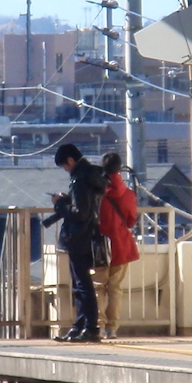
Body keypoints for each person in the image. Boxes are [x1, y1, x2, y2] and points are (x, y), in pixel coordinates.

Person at [51, 144, 108, 343]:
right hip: (89, 235)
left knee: (82, 285)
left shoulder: (79, 179)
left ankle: (90, 327)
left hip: (77, 238)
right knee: (81, 284)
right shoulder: (93, 176)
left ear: (70, 160)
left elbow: (79, 212)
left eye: (64, 166)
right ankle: (80, 326)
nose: (65, 170)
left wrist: (60, 204)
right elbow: (86, 207)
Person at [92, 152, 139, 339]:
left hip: (99, 245)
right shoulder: (128, 194)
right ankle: (113, 328)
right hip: (120, 245)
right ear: (120, 169)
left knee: (98, 287)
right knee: (115, 288)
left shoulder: (96, 190)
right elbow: (131, 220)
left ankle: (99, 326)